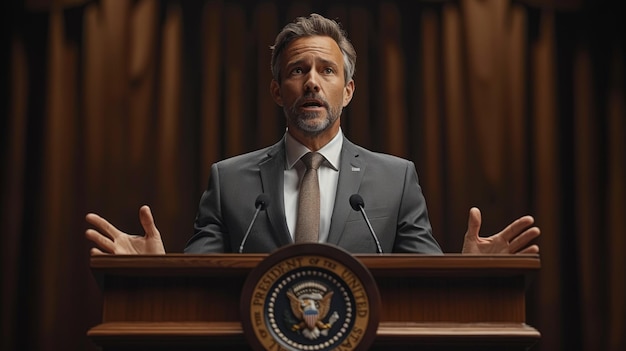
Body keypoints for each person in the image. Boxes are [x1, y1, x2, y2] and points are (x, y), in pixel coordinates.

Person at [85, 13, 540, 256]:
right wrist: (154, 271)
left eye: (326, 70)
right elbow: (202, 286)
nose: (311, 82)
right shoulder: (229, 181)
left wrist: (469, 275)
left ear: (349, 90)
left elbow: (423, 285)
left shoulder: (396, 180)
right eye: (297, 71)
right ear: (276, 91)